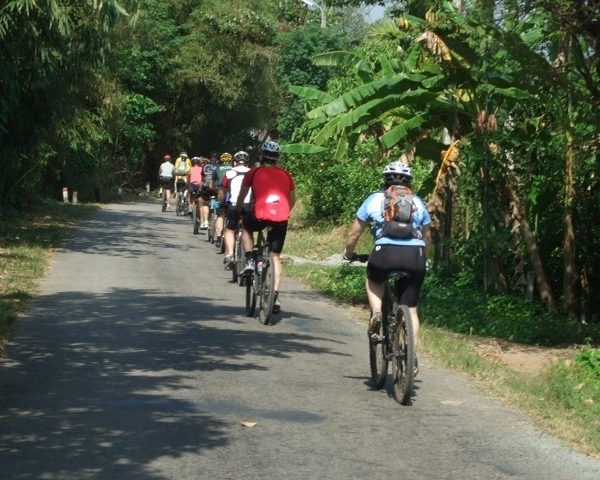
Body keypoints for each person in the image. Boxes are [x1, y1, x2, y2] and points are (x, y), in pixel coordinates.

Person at [343, 161, 431, 360]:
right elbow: (427, 237)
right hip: (414, 256)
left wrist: (349, 253)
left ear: (385, 181)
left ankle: (376, 312)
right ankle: (410, 354)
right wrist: (424, 259)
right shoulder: (417, 201)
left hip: (385, 253)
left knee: (374, 279)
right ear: (410, 183)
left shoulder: (373, 199)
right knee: (411, 309)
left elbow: (354, 233)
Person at [235, 141, 295, 314]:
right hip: (281, 217)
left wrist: (239, 211)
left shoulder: (254, 172)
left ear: (261, 156)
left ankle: (249, 259)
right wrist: (283, 211)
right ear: (277, 159)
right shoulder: (286, 175)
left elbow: (243, 194)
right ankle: (275, 295)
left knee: (246, 226)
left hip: (260, 215)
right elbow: (292, 199)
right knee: (275, 256)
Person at [220, 151, 252, 269]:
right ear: (248, 163)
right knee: (247, 230)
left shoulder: (229, 173)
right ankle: (249, 256)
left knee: (230, 230)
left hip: (234, 205)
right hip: (249, 205)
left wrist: (221, 202)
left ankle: (230, 255)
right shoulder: (252, 173)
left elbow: (223, 191)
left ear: (234, 162)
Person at [213, 152, 233, 248]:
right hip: (233, 195)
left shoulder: (217, 168)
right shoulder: (233, 169)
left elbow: (212, 184)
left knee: (220, 215)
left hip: (222, 193)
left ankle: (218, 237)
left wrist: (216, 192)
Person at [199, 153, 219, 229]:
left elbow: (202, 178)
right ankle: (216, 219)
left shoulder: (205, 166)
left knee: (205, 204)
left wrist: (200, 188)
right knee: (218, 201)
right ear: (217, 160)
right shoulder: (219, 167)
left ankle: (206, 221)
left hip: (206, 186)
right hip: (216, 187)